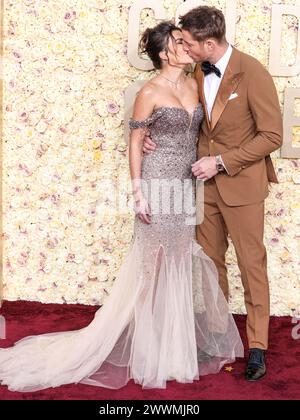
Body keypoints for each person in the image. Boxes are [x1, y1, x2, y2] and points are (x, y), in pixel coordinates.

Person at [0, 21, 243, 393]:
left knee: (178, 262)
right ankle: (148, 350)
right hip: (156, 182)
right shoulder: (149, 91)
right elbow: (136, 142)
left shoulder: (195, 83)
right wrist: (138, 193)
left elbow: (204, 131)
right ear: (164, 53)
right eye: (179, 42)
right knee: (152, 266)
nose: (186, 46)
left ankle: (173, 350)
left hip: (183, 186)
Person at [143, 6, 283, 381]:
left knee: (252, 266)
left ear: (208, 42)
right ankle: (221, 336)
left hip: (242, 186)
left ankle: (257, 347)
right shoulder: (193, 72)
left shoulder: (253, 72)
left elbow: (272, 136)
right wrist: (148, 138)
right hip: (202, 190)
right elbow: (181, 117)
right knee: (211, 264)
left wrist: (221, 161)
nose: (184, 49)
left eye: (188, 43)